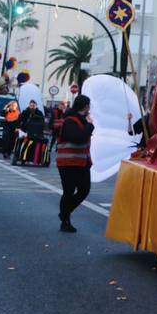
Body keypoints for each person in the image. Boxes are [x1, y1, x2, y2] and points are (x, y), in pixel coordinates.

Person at [55, 94, 95, 233]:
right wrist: (89, 126)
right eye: (89, 105)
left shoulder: (81, 120)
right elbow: (78, 138)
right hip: (68, 162)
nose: (90, 108)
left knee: (84, 189)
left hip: (81, 162)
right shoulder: (70, 120)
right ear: (85, 106)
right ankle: (65, 220)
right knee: (69, 191)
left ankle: (65, 212)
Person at [13, 100, 48, 166]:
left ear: (36, 106)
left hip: (37, 132)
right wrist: (18, 127)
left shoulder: (39, 113)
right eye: (31, 105)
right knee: (20, 142)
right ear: (29, 105)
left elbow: (42, 123)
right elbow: (19, 120)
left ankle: (39, 159)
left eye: (33, 106)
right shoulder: (25, 112)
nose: (32, 107)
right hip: (25, 131)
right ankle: (20, 157)